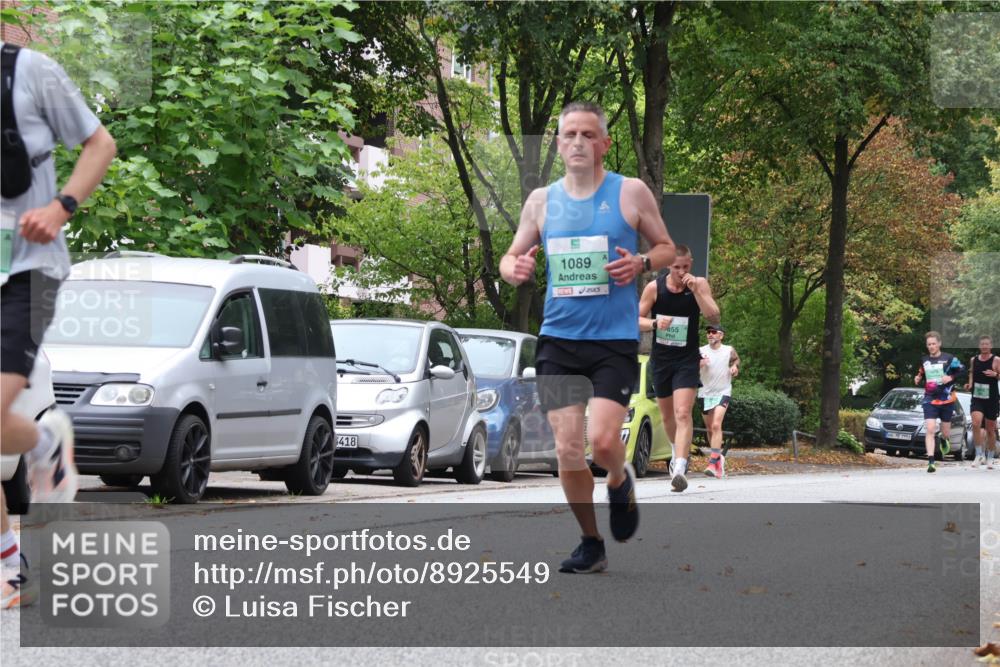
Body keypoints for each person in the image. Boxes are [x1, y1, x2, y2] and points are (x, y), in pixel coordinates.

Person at [500, 101, 675, 574]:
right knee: (566, 449)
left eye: (587, 135)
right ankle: (591, 541)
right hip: (558, 339)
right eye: (569, 134)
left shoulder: (631, 192)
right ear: (558, 143)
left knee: (600, 443)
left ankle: (619, 477)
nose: (577, 142)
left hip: (612, 342)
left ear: (603, 143)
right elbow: (510, 256)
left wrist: (640, 264)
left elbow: (666, 248)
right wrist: (514, 268)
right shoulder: (540, 200)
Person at [1, 41, 116, 609]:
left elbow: (101, 143)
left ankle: (46, 440)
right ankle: (12, 568)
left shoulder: (31, 72)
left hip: (27, 271)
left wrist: (61, 206)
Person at [638, 246, 720, 492]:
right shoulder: (654, 288)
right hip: (662, 360)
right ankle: (676, 453)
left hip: (686, 360)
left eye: (686, 266)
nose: (682, 272)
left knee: (683, 412)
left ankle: (681, 468)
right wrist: (654, 323)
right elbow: (634, 319)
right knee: (667, 417)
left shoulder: (699, 285)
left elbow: (714, 316)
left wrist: (697, 292)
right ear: (667, 266)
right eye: (677, 267)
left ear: (691, 263)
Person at [912, 331, 965, 473]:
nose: (931, 346)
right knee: (930, 428)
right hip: (930, 398)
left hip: (946, 399)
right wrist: (918, 378)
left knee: (945, 432)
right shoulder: (925, 360)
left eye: (934, 344)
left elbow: (962, 370)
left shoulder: (949, 358)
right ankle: (931, 461)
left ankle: (943, 439)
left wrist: (951, 377)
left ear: (939, 344)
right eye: (929, 344)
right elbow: (921, 372)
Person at [698, 324, 739, 479]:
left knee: (716, 424)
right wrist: (699, 364)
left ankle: (713, 461)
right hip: (704, 393)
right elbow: (690, 368)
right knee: (710, 429)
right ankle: (719, 459)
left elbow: (735, 361)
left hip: (723, 392)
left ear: (721, 335)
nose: (710, 334)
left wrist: (734, 367)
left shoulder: (728, 350)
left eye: (713, 332)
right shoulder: (701, 351)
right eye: (708, 332)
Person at [965, 334, 999, 470]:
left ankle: (990, 457)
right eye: (982, 344)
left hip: (992, 399)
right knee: (975, 423)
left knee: (990, 430)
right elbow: (972, 373)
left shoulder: (996, 360)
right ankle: (978, 454)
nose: (984, 346)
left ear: (991, 346)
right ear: (979, 346)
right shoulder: (974, 360)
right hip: (977, 397)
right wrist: (969, 384)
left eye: (987, 344)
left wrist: (996, 375)